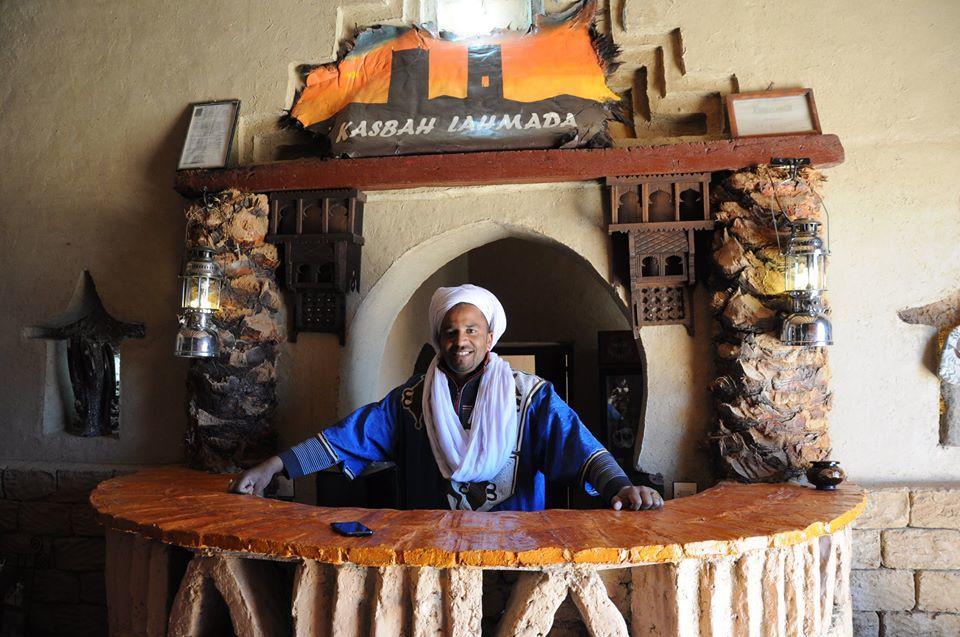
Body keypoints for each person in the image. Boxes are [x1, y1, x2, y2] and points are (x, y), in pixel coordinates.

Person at [231, 284, 663, 512]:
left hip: (515, 552)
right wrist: (275, 465)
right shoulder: (410, 402)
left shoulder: (530, 397)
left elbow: (579, 446)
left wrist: (621, 486)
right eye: (451, 331)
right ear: (439, 338)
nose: (462, 340)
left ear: (490, 337)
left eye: (472, 330)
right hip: (430, 553)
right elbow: (347, 438)